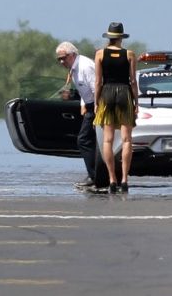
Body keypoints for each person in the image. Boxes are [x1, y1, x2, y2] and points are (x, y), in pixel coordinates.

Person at [94, 22, 137, 193]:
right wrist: (136, 102)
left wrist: (97, 102)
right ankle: (125, 179)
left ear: (109, 37)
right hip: (124, 92)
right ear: (121, 37)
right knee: (127, 139)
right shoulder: (129, 54)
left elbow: (98, 81)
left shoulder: (99, 54)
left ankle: (112, 179)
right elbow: (133, 81)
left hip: (107, 93)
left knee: (107, 140)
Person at [56, 41, 105, 193]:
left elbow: (97, 86)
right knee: (90, 141)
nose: (62, 62)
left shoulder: (85, 66)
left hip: (98, 105)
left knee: (84, 140)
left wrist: (97, 108)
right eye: (59, 59)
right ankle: (97, 176)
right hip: (90, 105)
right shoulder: (74, 68)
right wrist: (83, 104)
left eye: (64, 58)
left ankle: (95, 177)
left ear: (72, 55)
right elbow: (83, 89)